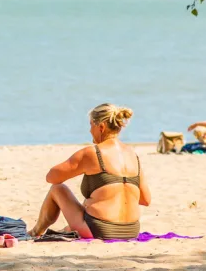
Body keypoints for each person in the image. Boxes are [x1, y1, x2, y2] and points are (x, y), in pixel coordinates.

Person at [27, 103, 150, 240]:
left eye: (91, 125)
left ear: (101, 127)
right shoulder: (132, 154)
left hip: (100, 230)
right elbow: (145, 199)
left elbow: (51, 177)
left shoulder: (92, 153)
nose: (90, 130)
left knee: (58, 189)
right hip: (131, 230)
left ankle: (36, 231)